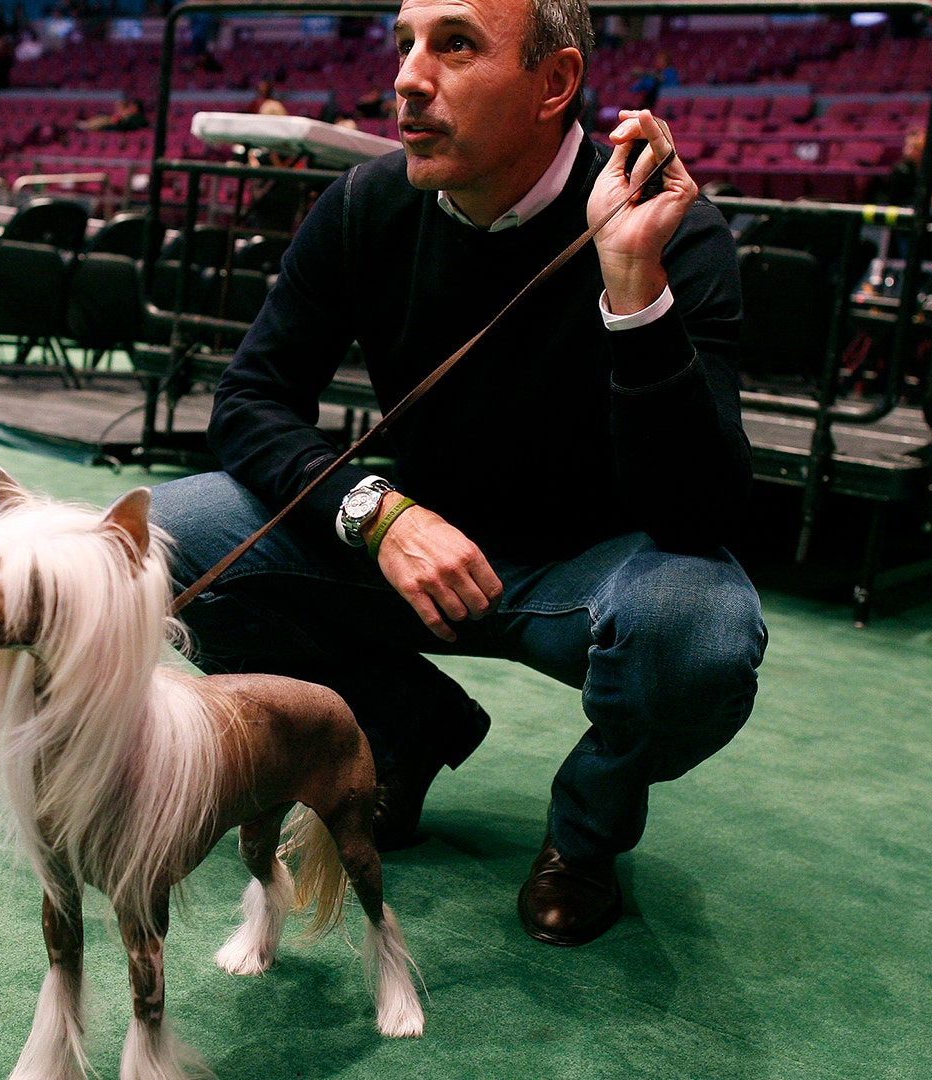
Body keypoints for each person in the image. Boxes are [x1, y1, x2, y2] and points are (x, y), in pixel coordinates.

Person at [148, 0, 764, 949]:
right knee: (172, 535)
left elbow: (699, 513)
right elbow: (251, 402)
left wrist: (633, 288)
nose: (407, 77)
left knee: (700, 632)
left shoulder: (671, 230)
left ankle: (585, 837)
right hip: (414, 546)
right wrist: (377, 515)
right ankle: (403, 731)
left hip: (595, 574)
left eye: (456, 44)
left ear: (554, 83)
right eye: (405, 44)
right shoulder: (365, 204)